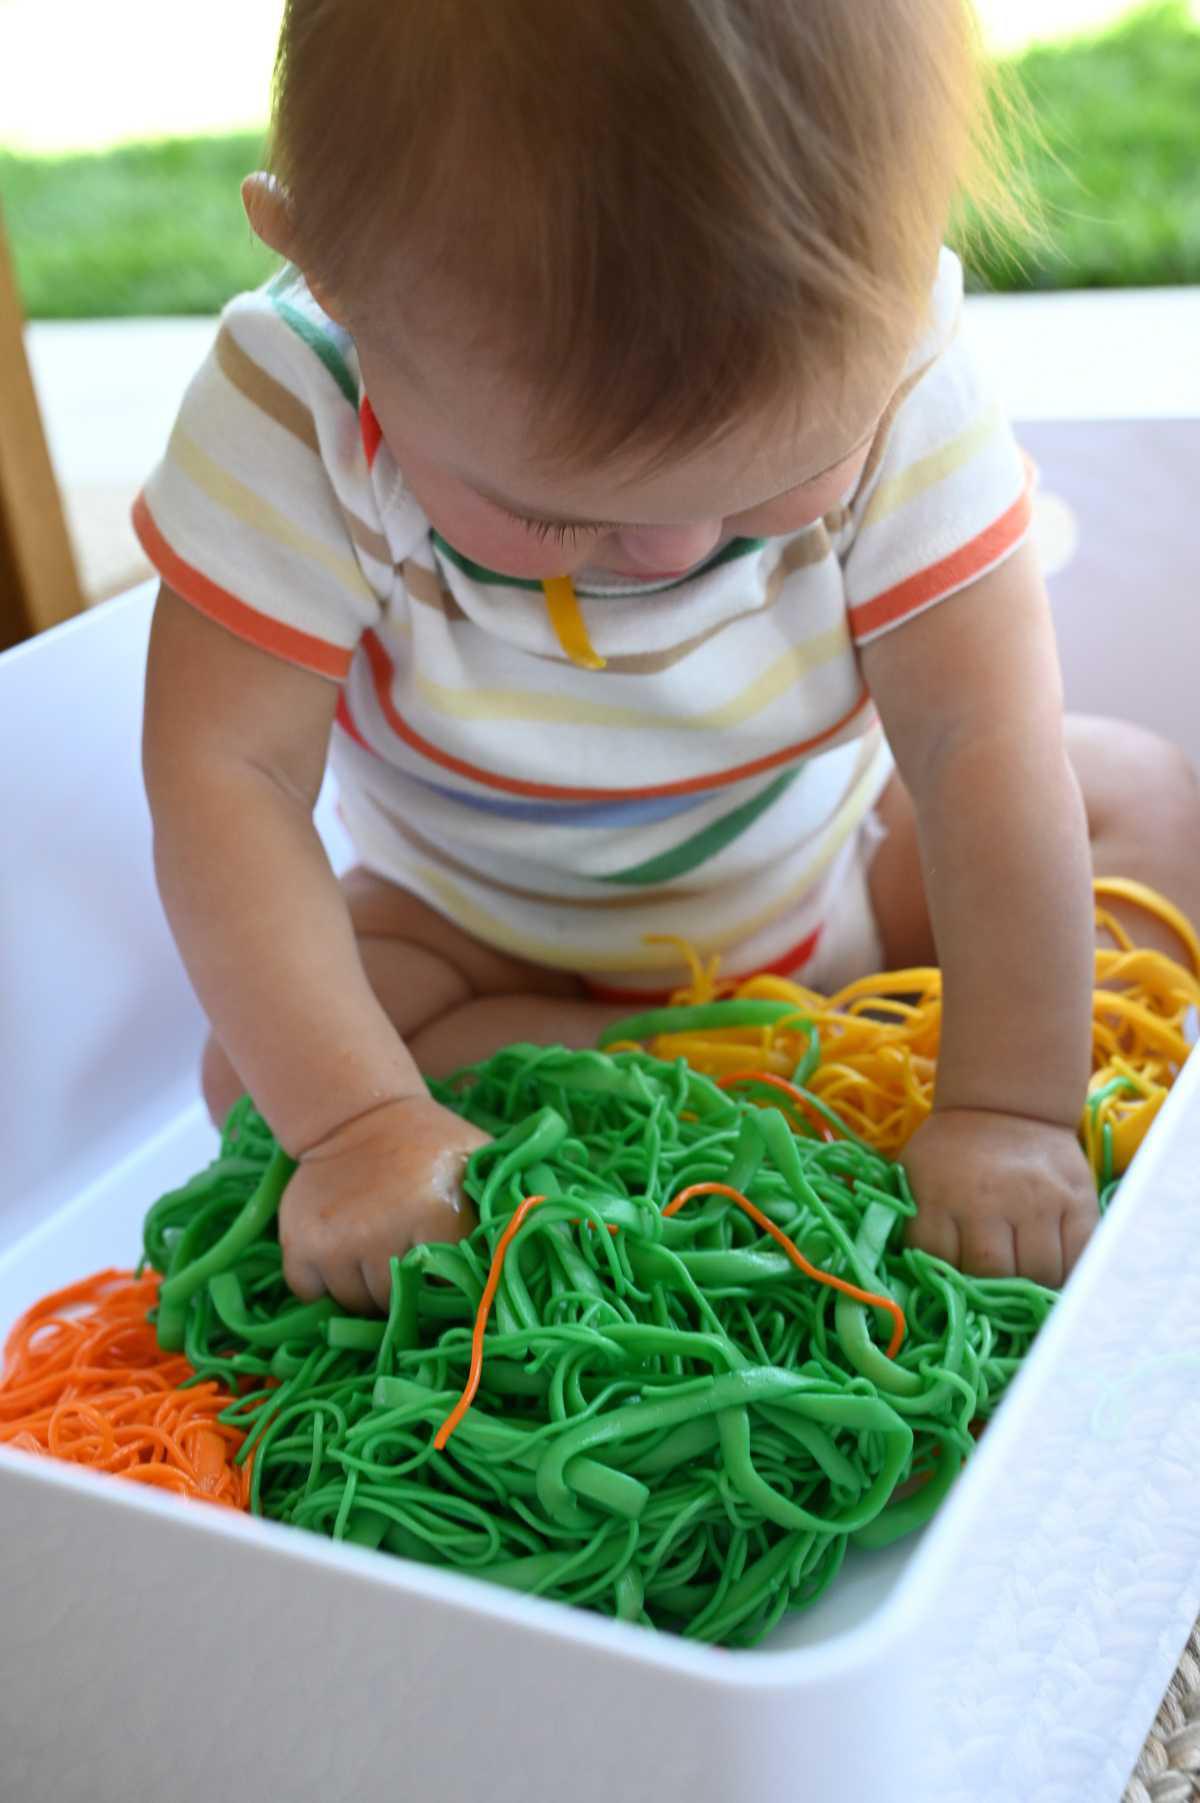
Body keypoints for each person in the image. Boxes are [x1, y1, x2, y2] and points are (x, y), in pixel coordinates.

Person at [137, 0, 1199, 1313]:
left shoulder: (906, 365)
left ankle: (841, 1061)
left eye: (776, 487)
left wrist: (1014, 1108)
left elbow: (973, 746)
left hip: (839, 895)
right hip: (483, 943)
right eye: (552, 512)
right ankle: (784, 1078)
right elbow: (222, 775)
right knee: (261, 1079)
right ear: (339, 283)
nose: (670, 555)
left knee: (1140, 795)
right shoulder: (292, 405)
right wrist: (358, 1126)